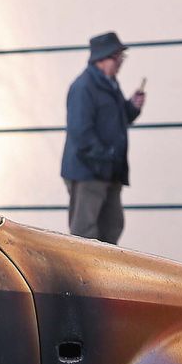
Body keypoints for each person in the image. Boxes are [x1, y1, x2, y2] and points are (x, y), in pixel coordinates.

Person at [61, 32, 145, 244]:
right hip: (89, 172)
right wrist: (106, 156)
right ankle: (83, 277)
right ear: (102, 58)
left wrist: (132, 108)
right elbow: (81, 133)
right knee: (85, 234)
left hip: (108, 172)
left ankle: (106, 276)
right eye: (117, 58)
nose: (120, 63)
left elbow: (114, 121)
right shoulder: (84, 87)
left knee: (112, 227)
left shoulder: (109, 84)